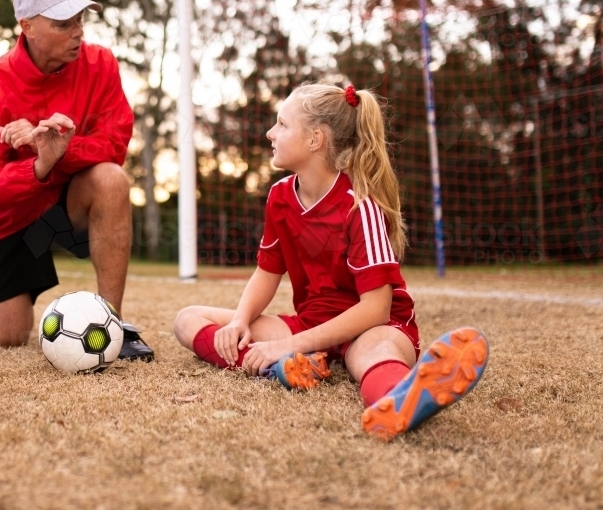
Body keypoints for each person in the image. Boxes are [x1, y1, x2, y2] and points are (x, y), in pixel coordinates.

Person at [173, 83, 488, 440]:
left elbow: (377, 309)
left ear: (314, 140)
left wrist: (290, 345)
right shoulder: (279, 197)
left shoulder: (359, 205)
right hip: (311, 327)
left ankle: (400, 401)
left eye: (281, 124)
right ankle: (285, 368)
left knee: (375, 354)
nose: (270, 133)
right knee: (188, 320)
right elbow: (267, 272)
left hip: (368, 329)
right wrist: (241, 322)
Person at [0, 0, 153, 360]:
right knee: (8, 334)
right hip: (8, 220)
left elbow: (114, 145)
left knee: (111, 179)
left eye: (80, 19)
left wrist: (59, 150)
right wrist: (38, 165)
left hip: (63, 206)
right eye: (63, 24)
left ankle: (112, 322)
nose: (78, 32)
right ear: (26, 26)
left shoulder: (100, 64)